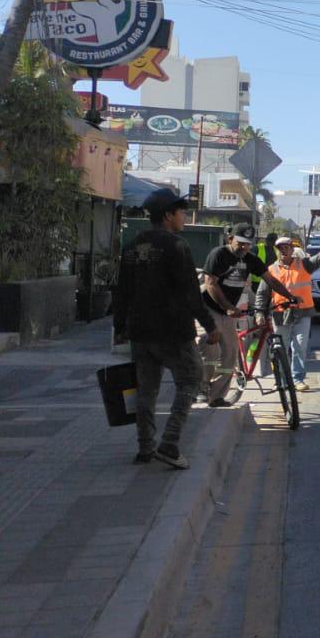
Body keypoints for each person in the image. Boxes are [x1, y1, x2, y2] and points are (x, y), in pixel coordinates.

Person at [112, 188, 218, 470]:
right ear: (169, 215)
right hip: (173, 331)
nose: (184, 216)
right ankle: (169, 444)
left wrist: (119, 326)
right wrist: (210, 325)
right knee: (191, 381)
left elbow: (121, 291)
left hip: (140, 332)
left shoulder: (132, 246)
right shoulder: (176, 246)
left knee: (146, 390)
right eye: (181, 211)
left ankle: (145, 448)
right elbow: (190, 294)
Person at [199, 223, 295, 407]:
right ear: (230, 239)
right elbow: (210, 283)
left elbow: (271, 280)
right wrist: (227, 306)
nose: (244, 248)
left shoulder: (251, 259)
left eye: (248, 244)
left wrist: (290, 296)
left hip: (228, 312)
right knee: (210, 347)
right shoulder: (219, 254)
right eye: (240, 243)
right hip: (209, 307)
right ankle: (202, 389)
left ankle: (217, 396)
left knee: (230, 352)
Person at [260, 235, 320, 391]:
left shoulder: (304, 265)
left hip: (303, 312)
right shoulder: (271, 270)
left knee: (300, 346)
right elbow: (262, 294)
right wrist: (260, 313)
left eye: (286, 247)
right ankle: (281, 380)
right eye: (280, 248)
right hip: (280, 313)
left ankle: (297, 378)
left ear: (292, 249)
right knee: (281, 347)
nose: (283, 251)